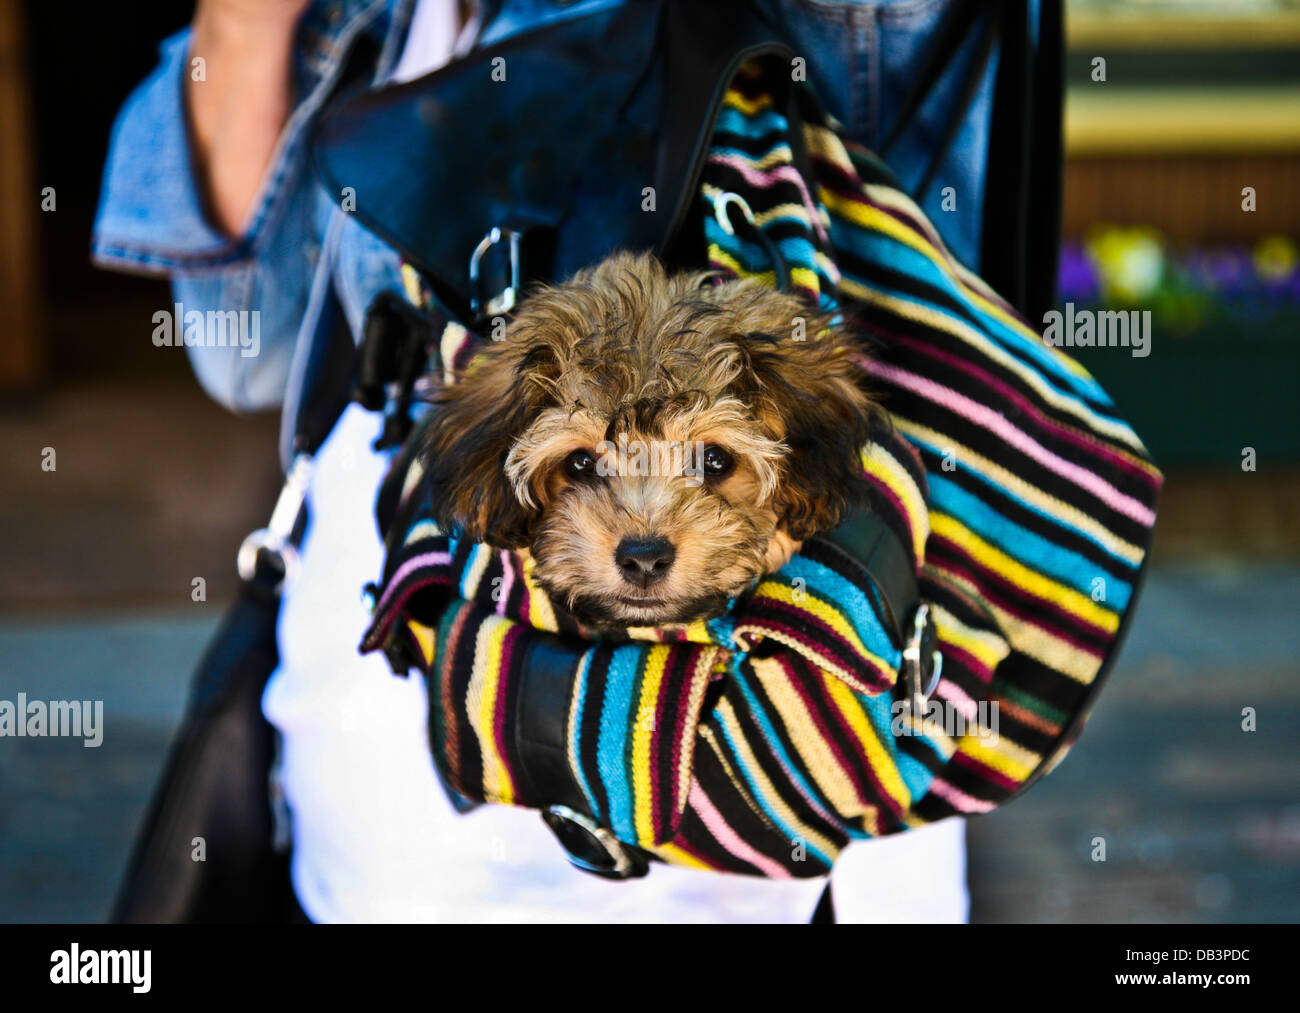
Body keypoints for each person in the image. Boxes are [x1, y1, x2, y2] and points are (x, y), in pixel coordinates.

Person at [95, 0, 1021, 923]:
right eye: (582, 468)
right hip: (416, 669)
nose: (644, 532)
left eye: (703, 459)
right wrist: (247, 28)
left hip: (782, 676)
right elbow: (250, 350)